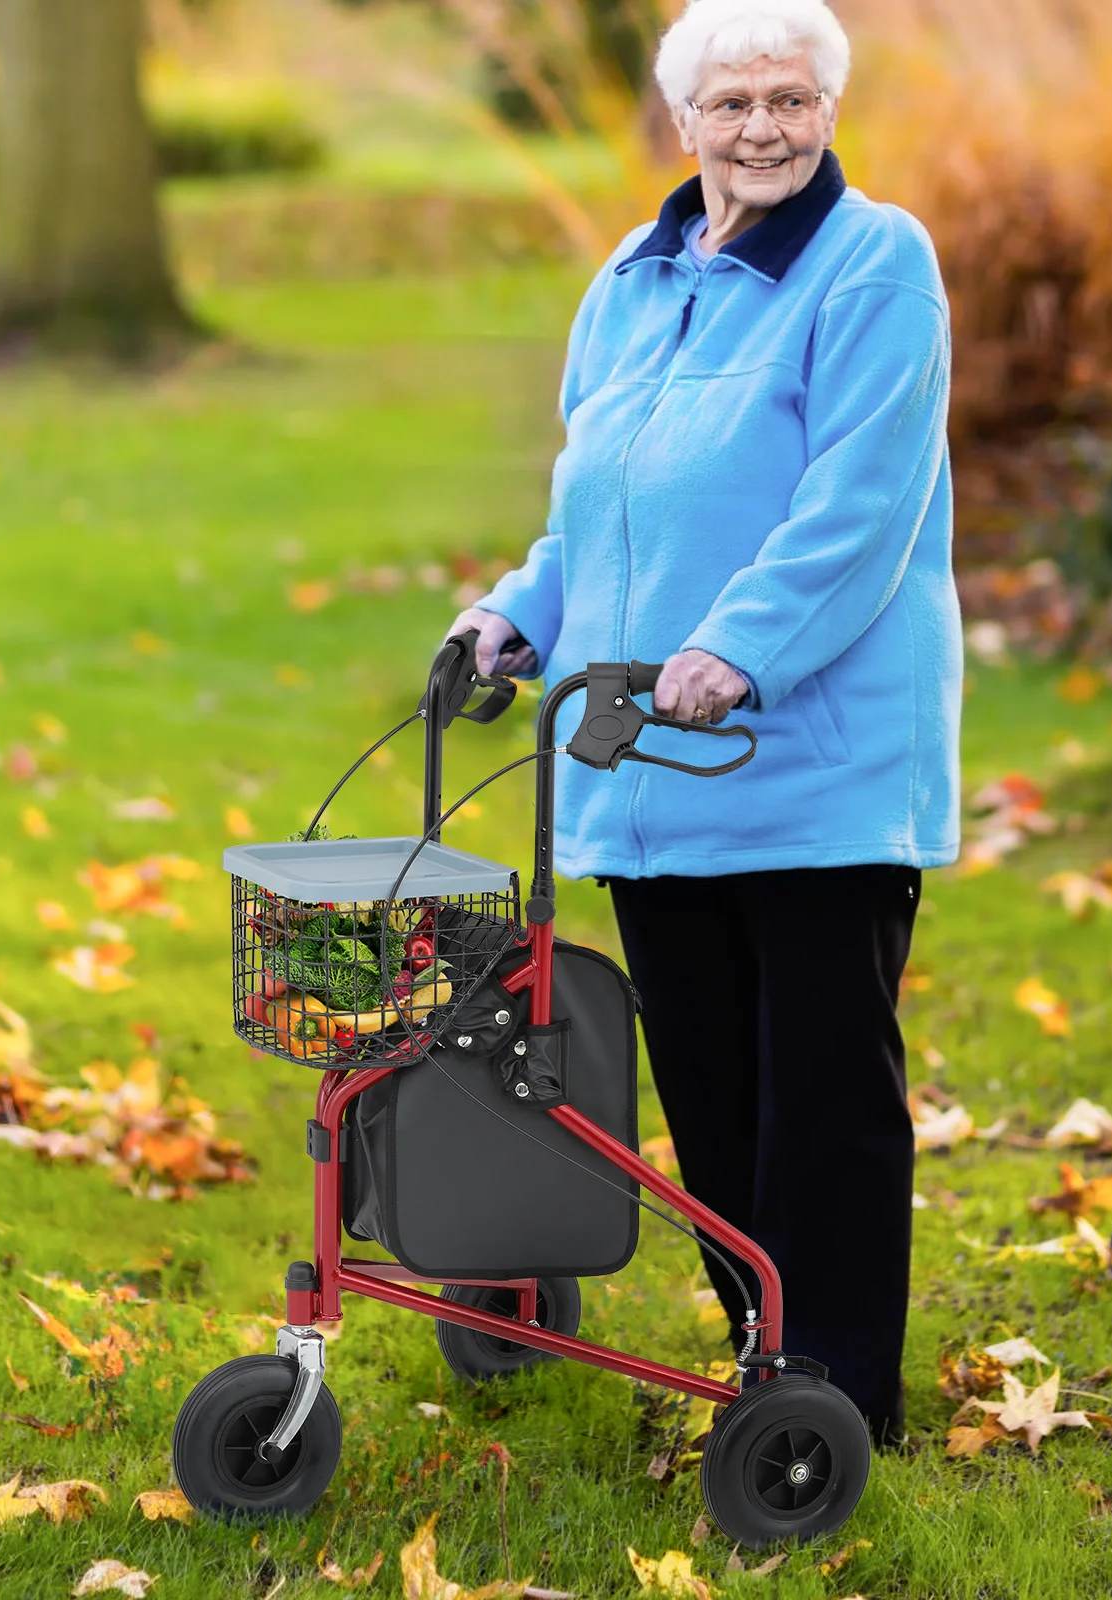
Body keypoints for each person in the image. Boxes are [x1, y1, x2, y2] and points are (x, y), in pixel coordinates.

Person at [445, 0, 961, 1448]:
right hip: (645, 771)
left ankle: (841, 1391)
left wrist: (736, 648)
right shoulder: (633, 274)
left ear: (828, 109)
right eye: (734, 102)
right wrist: (515, 616)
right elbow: (591, 507)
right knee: (716, 1101)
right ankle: (762, 1356)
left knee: (825, 1097)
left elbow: (861, 506)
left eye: (792, 99)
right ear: (685, 123)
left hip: (808, 759)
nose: (765, 128)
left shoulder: (876, 265)